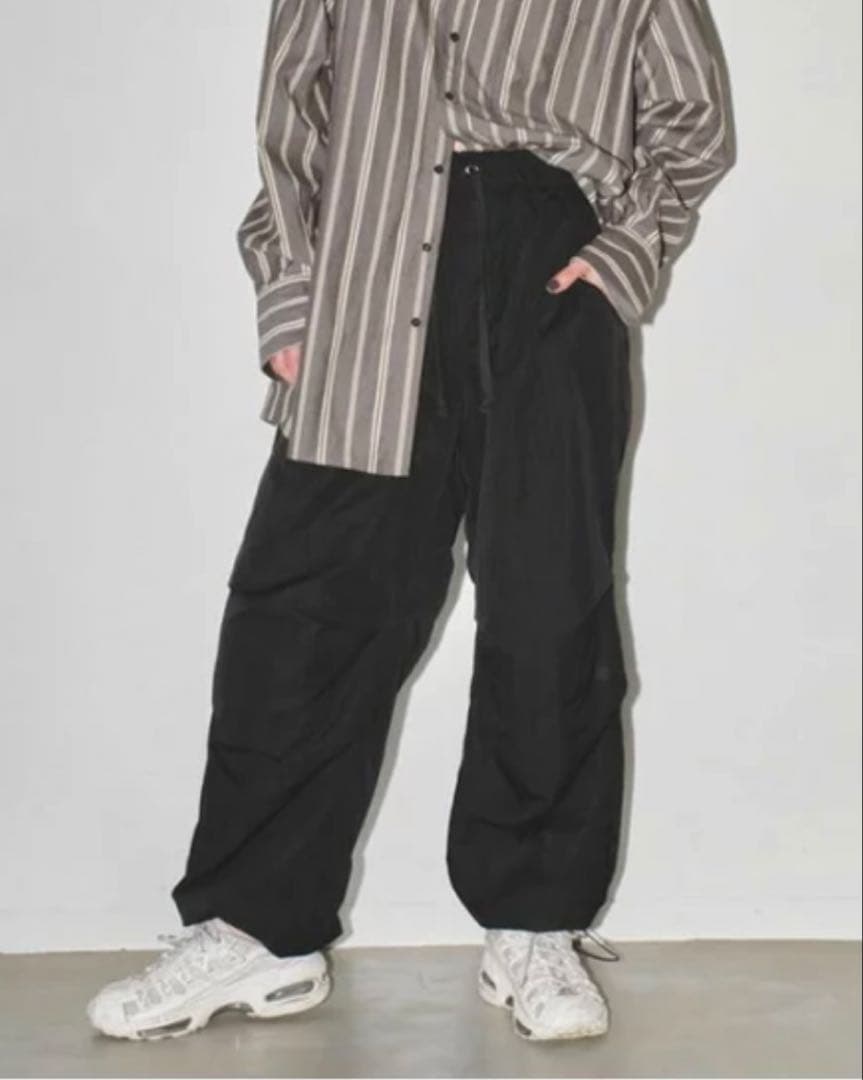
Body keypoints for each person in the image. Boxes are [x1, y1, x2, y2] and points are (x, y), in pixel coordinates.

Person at [87, 0, 733, 1044]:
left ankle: (533, 923)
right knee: (304, 615)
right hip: (366, 274)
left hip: (547, 271)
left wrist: (617, 258)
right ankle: (258, 929)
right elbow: (292, 119)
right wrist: (290, 292)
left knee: (548, 607)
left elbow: (692, 119)